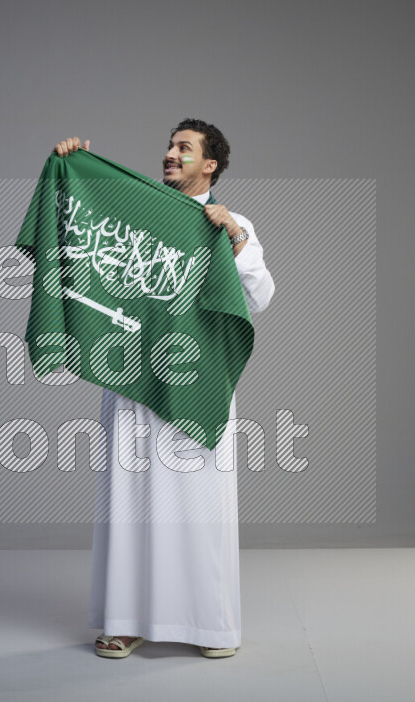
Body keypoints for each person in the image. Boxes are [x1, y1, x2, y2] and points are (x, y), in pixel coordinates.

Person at [53, 119, 275, 658]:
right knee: (129, 503)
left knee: (200, 505)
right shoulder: (139, 213)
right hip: (133, 375)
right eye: (170, 147)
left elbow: (261, 298)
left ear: (211, 164)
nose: (170, 155)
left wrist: (236, 238)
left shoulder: (231, 224)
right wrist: (73, 166)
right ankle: (125, 621)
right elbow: (83, 235)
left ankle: (209, 625)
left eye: (184, 148)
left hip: (196, 379)